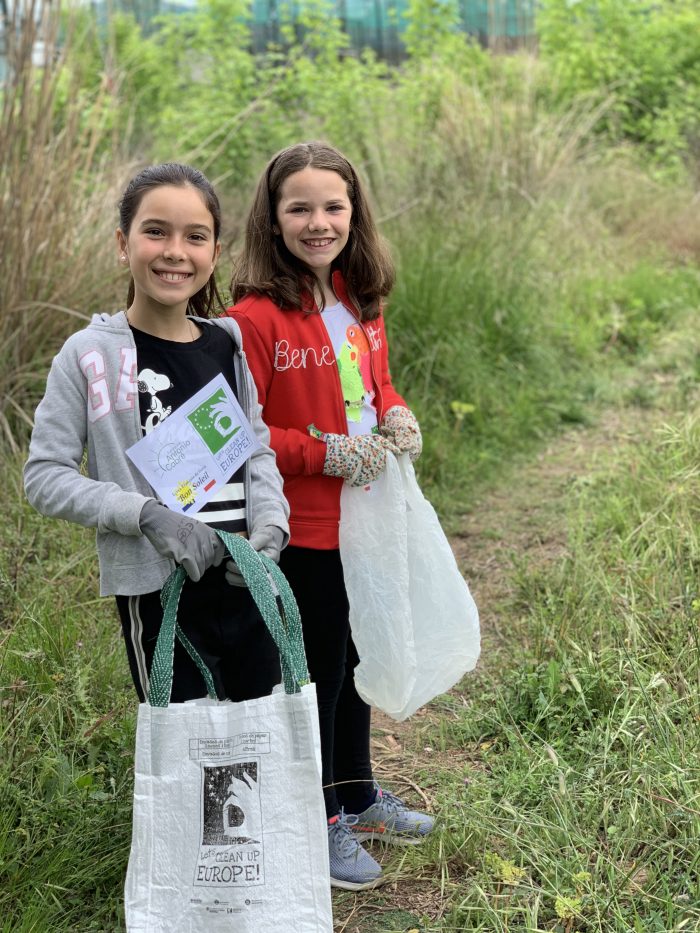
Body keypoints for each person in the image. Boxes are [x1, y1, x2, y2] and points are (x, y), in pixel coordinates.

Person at [227, 141, 434, 891]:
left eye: (333, 207)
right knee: (314, 673)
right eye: (300, 208)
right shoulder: (252, 319)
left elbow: (377, 386)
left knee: (353, 660)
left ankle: (358, 793)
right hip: (304, 527)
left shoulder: (358, 297)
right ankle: (317, 820)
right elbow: (242, 432)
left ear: (354, 213)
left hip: (367, 515)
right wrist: (327, 454)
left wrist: (396, 411)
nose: (319, 222)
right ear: (272, 218)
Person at [24, 162, 289, 706]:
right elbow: (44, 477)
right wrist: (145, 515)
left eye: (195, 237)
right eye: (155, 231)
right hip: (160, 594)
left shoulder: (228, 345)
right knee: (183, 742)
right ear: (123, 244)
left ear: (215, 252)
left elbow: (256, 450)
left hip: (248, 582)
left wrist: (271, 524)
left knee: (259, 733)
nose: (175, 251)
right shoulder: (90, 355)